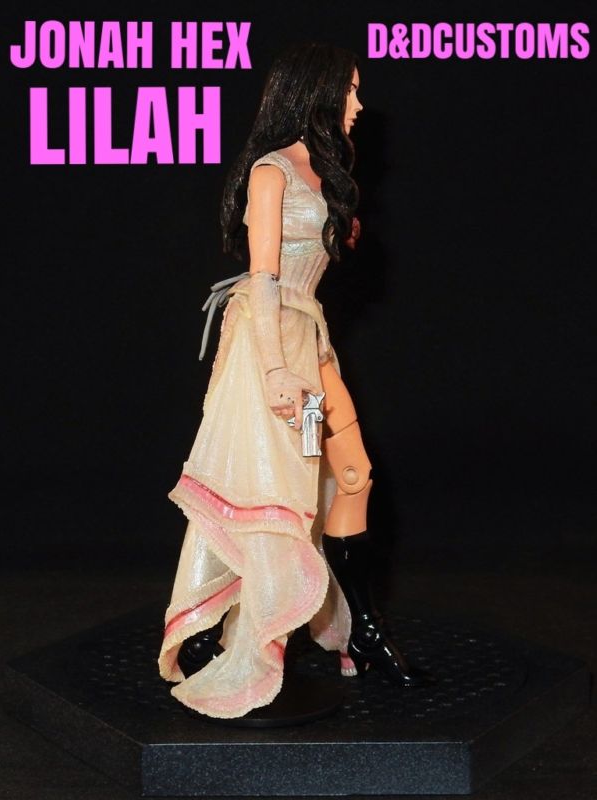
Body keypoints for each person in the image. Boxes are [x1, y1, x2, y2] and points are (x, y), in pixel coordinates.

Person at [158, 42, 431, 721]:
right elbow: (263, 277)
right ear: (318, 91)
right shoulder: (271, 171)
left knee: (350, 475)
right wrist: (276, 369)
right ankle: (216, 632)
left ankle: (363, 632)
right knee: (270, 484)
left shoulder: (323, 168)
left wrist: (342, 230)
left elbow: (308, 257)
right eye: (351, 90)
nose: (359, 103)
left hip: (311, 339)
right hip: (271, 342)